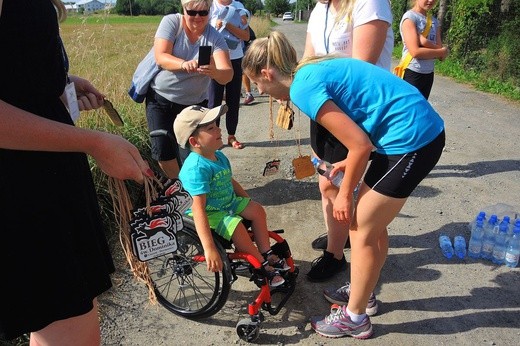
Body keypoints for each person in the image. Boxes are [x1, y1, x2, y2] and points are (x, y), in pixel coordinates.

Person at [242, 31, 445, 339]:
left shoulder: (301, 89)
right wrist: (349, 165)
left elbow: (360, 145)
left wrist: (343, 196)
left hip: (412, 139)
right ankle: (363, 294)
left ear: (267, 73)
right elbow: (359, 134)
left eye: (257, 84)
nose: (260, 90)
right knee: (372, 227)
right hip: (406, 133)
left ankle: (355, 318)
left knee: (359, 227)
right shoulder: (308, 69)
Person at [0, 0, 152, 344]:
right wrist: (95, 143)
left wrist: (58, 80)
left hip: (45, 175)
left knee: (62, 321)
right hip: (25, 189)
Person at [303, 0, 394, 283]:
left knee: (336, 183)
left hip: (354, 109)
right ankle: (338, 237)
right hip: (326, 105)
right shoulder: (320, 10)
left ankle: (336, 257)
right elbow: (308, 59)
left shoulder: (370, 4)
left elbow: (358, 71)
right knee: (325, 181)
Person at [174, 104, 289, 286]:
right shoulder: (196, 168)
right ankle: (261, 264)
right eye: (211, 128)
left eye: (216, 125)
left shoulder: (218, 156)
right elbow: (198, 208)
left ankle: (266, 251)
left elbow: (229, 181)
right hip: (209, 212)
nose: (219, 129)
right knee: (236, 226)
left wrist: (247, 201)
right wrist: (209, 248)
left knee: (257, 210)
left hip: (226, 203)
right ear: (195, 142)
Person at [145, 0, 233, 179]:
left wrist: (214, 72)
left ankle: (195, 190)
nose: (198, 17)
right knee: (164, 152)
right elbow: (161, 57)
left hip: (194, 107)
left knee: (194, 153)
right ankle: (182, 190)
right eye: (192, 12)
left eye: (203, 13)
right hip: (161, 101)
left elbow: (228, 74)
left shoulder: (214, 36)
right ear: (183, 9)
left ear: (209, 11)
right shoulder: (171, 22)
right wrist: (184, 64)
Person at [208, 0, 250, 149]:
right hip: (214, 59)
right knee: (213, 102)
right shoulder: (209, 6)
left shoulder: (239, 8)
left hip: (235, 58)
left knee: (233, 101)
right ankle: (213, 138)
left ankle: (231, 136)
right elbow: (202, 31)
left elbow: (246, 36)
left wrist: (227, 24)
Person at [399, 0, 449, 99]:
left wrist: (425, 43)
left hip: (428, 74)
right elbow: (415, 52)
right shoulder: (410, 18)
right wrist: (442, 51)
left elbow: (441, 56)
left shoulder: (434, 21)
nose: (431, 0)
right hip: (412, 72)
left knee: (421, 109)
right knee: (409, 110)